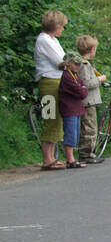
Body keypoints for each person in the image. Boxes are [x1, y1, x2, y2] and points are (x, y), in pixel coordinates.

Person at [34, 10, 68, 170]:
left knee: (56, 120)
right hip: (49, 82)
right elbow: (60, 61)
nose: (62, 29)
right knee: (50, 118)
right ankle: (47, 158)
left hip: (57, 81)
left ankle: (52, 157)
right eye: (61, 26)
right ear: (56, 25)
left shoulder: (52, 40)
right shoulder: (44, 40)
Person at [75, 35, 106, 164]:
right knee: (89, 128)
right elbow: (86, 83)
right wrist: (99, 80)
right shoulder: (84, 65)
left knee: (91, 126)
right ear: (92, 49)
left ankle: (89, 152)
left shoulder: (86, 64)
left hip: (90, 100)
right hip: (88, 101)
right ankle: (85, 153)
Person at [57, 52, 89, 169]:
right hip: (69, 109)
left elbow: (83, 88)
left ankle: (72, 158)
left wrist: (83, 88)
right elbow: (81, 91)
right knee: (70, 133)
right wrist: (83, 88)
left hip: (76, 109)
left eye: (79, 64)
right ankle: (70, 159)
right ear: (68, 63)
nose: (78, 66)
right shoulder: (66, 76)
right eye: (75, 64)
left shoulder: (75, 76)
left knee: (75, 133)